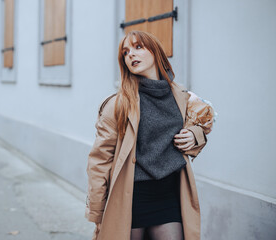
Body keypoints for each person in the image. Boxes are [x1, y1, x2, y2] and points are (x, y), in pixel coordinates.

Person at [85, 30, 211, 240]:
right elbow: (99, 161)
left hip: (170, 196)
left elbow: (203, 122)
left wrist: (194, 135)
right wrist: (97, 212)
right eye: (125, 53)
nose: (131, 55)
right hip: (131, 200)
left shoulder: (181, 96)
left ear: (155, 52)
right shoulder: (118, 104)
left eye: (138, 47)